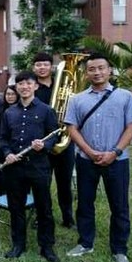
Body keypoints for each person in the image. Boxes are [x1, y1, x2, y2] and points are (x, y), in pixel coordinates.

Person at [64, 53, 132, 262]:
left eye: (101, 68)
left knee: (119, 206)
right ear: (86, 73)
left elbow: (131, 127)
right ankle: (85, 242)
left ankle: (119, 250)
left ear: (110, 70)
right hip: (86, 160)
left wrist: (114, 152)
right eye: (92, 69)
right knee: (85, 203)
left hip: (117, 160)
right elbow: (72, 128)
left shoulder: (125, 96)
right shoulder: (77, 99)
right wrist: (88, 151)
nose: (97, 72)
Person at [0, 71, 59, 262]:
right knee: (16, 207)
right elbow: (3, 138)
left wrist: (45, 145)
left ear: (35, 86)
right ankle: (18, 244)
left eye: (28, 83)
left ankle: (47, 247)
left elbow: (54, 136)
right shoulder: (9, 112)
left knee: (44, 207)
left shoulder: (46, 110)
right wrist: (7, 153)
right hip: (15, 167)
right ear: (16, 87)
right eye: (21, 84)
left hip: (39, 166)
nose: (24, 87)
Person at [33, 52, 76, 228]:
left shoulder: (62, 87)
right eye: (38, 65)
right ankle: (41, 215)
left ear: (51, 66)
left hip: (64, 141)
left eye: (45, 64)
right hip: (41, 142)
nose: (42, 68)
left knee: (64, 182)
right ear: (33, 68)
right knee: (41, 182)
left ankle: (68, 217)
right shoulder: (32, 88)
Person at [0, 85, 20, 196]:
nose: (10, 96)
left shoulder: (20, 109)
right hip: (0, 143)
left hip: (13, 145)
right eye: (8, 94)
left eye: (13, 94)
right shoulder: (2, 109)